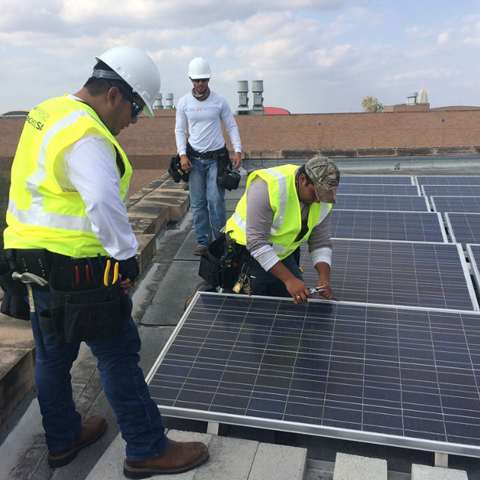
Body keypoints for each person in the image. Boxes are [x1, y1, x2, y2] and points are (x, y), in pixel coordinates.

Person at [3, 46, 208, 478]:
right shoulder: (88, 134)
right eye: (135, 108)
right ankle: (147, 447)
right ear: (114, 94)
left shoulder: (47, 111)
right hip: (78, 267)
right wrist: (126, 259)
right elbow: (101, 201)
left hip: (30, 261)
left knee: (53, 358)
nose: (135, 119)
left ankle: (62, 439)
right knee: (117, 354)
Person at [225, 157, 340, 305]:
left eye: (324, 196)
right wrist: (289, 279)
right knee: (244, 310)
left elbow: (320, 242)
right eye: (316, 193)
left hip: (282, 255)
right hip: (247, 253)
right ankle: (206, 293)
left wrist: (324, 278)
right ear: (302, 179)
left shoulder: (322, 200)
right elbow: (256, 244)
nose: (319, 200)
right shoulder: (266, 188)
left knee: (296, 302)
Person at [175, 57, 242, 256]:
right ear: (190, 79)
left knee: (215, 200)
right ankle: (204, 241)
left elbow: (231, 125)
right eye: (197, 80)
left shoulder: (219, 101)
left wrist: (238, 149)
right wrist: (182, 155)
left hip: (216, 160)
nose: (200, 83)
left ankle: (221, 240)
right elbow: (180, 130)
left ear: (209, 79)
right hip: (194, 160)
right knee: (197, 202)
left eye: (204, 79)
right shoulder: (184, 102)